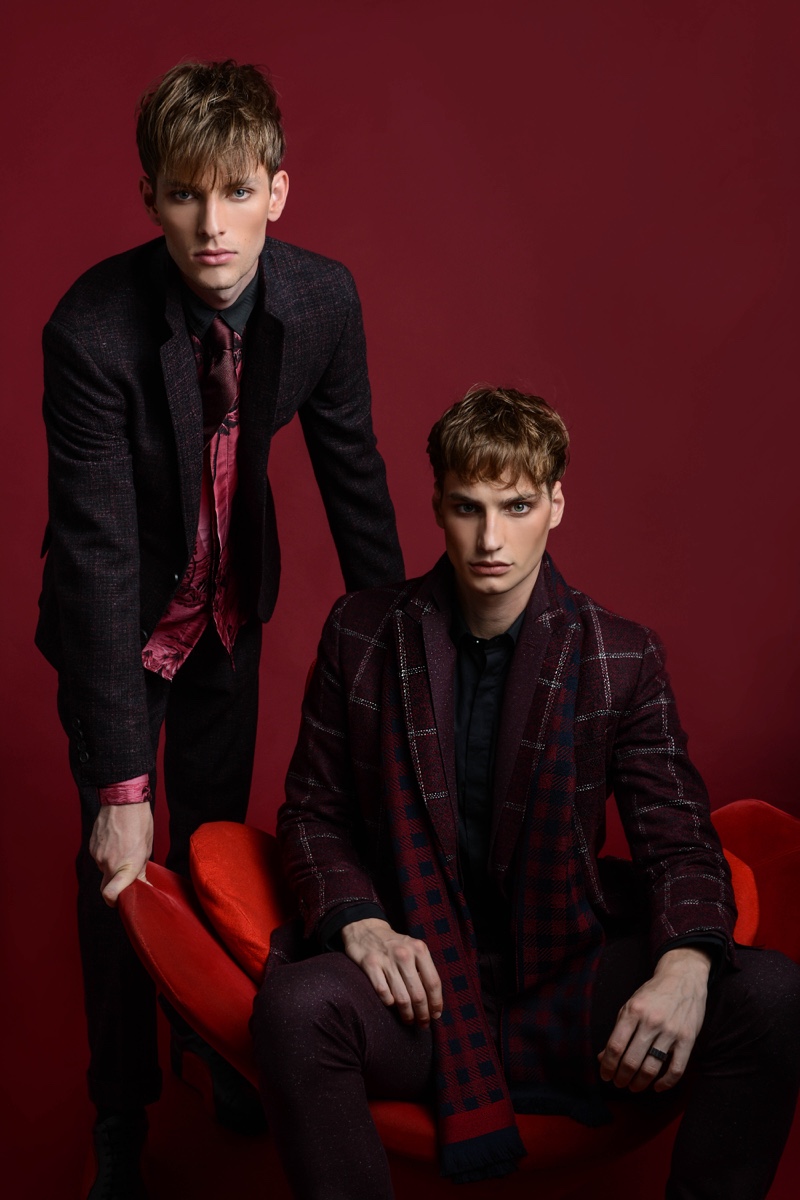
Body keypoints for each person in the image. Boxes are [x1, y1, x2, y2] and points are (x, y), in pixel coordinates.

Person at [253, 386, 800, 1199]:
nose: (490, 538)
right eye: (468, 507)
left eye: (515, 506)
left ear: (555, 504)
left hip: (564, 976)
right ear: (436, 504)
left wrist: (685, 968)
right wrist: (361, 926)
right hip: (422, 985)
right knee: (296, 1008)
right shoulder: (361, 631)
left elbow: (678, 842)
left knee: (770, 994)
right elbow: (312, 816)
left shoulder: (620, 656)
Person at [36, 59, 404, 1199]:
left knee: (213, 858)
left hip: (230, 614)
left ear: (277, 192)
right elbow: (97, 556)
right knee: (124, 876)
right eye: (186, 195)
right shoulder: (92, 329)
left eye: (236, 191)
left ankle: (213, 1047)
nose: (211, 225)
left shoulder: (322, 299)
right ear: (151, 198)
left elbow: (356, 483)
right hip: (118, 629)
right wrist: (114, 791)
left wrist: (406, 667)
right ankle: (121, 1108)